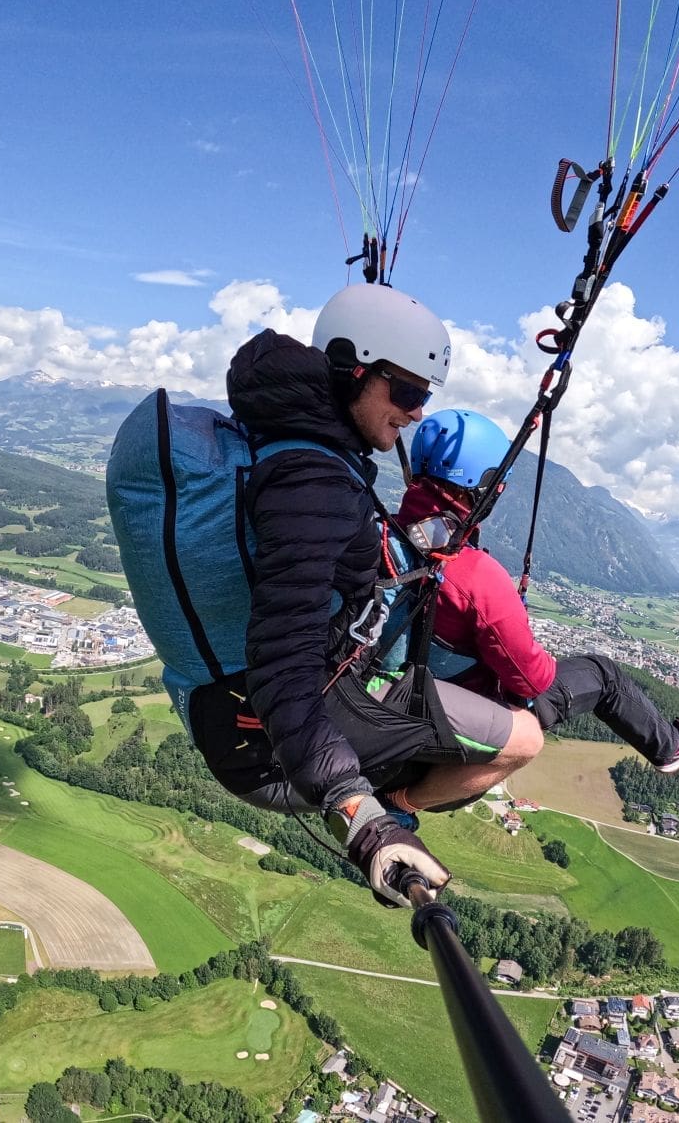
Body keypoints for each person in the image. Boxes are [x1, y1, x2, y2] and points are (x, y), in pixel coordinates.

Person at [188, 285, 549, 907]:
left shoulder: (308, 447)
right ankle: (402, 803)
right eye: (408, 392)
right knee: (524, 738)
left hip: (262, 710)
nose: (415, 413)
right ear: (353, 368)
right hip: (277, 739)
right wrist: (364, 817)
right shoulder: (313, 480)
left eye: (425, 396)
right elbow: (283, 665)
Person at [381, 408, 679, 819]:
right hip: (457, 714)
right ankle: (669, 746)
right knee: (602, 674)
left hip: (392, 696)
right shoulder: (475, 575)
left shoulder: (384, 535)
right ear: (482, 489)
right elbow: (532, 680)